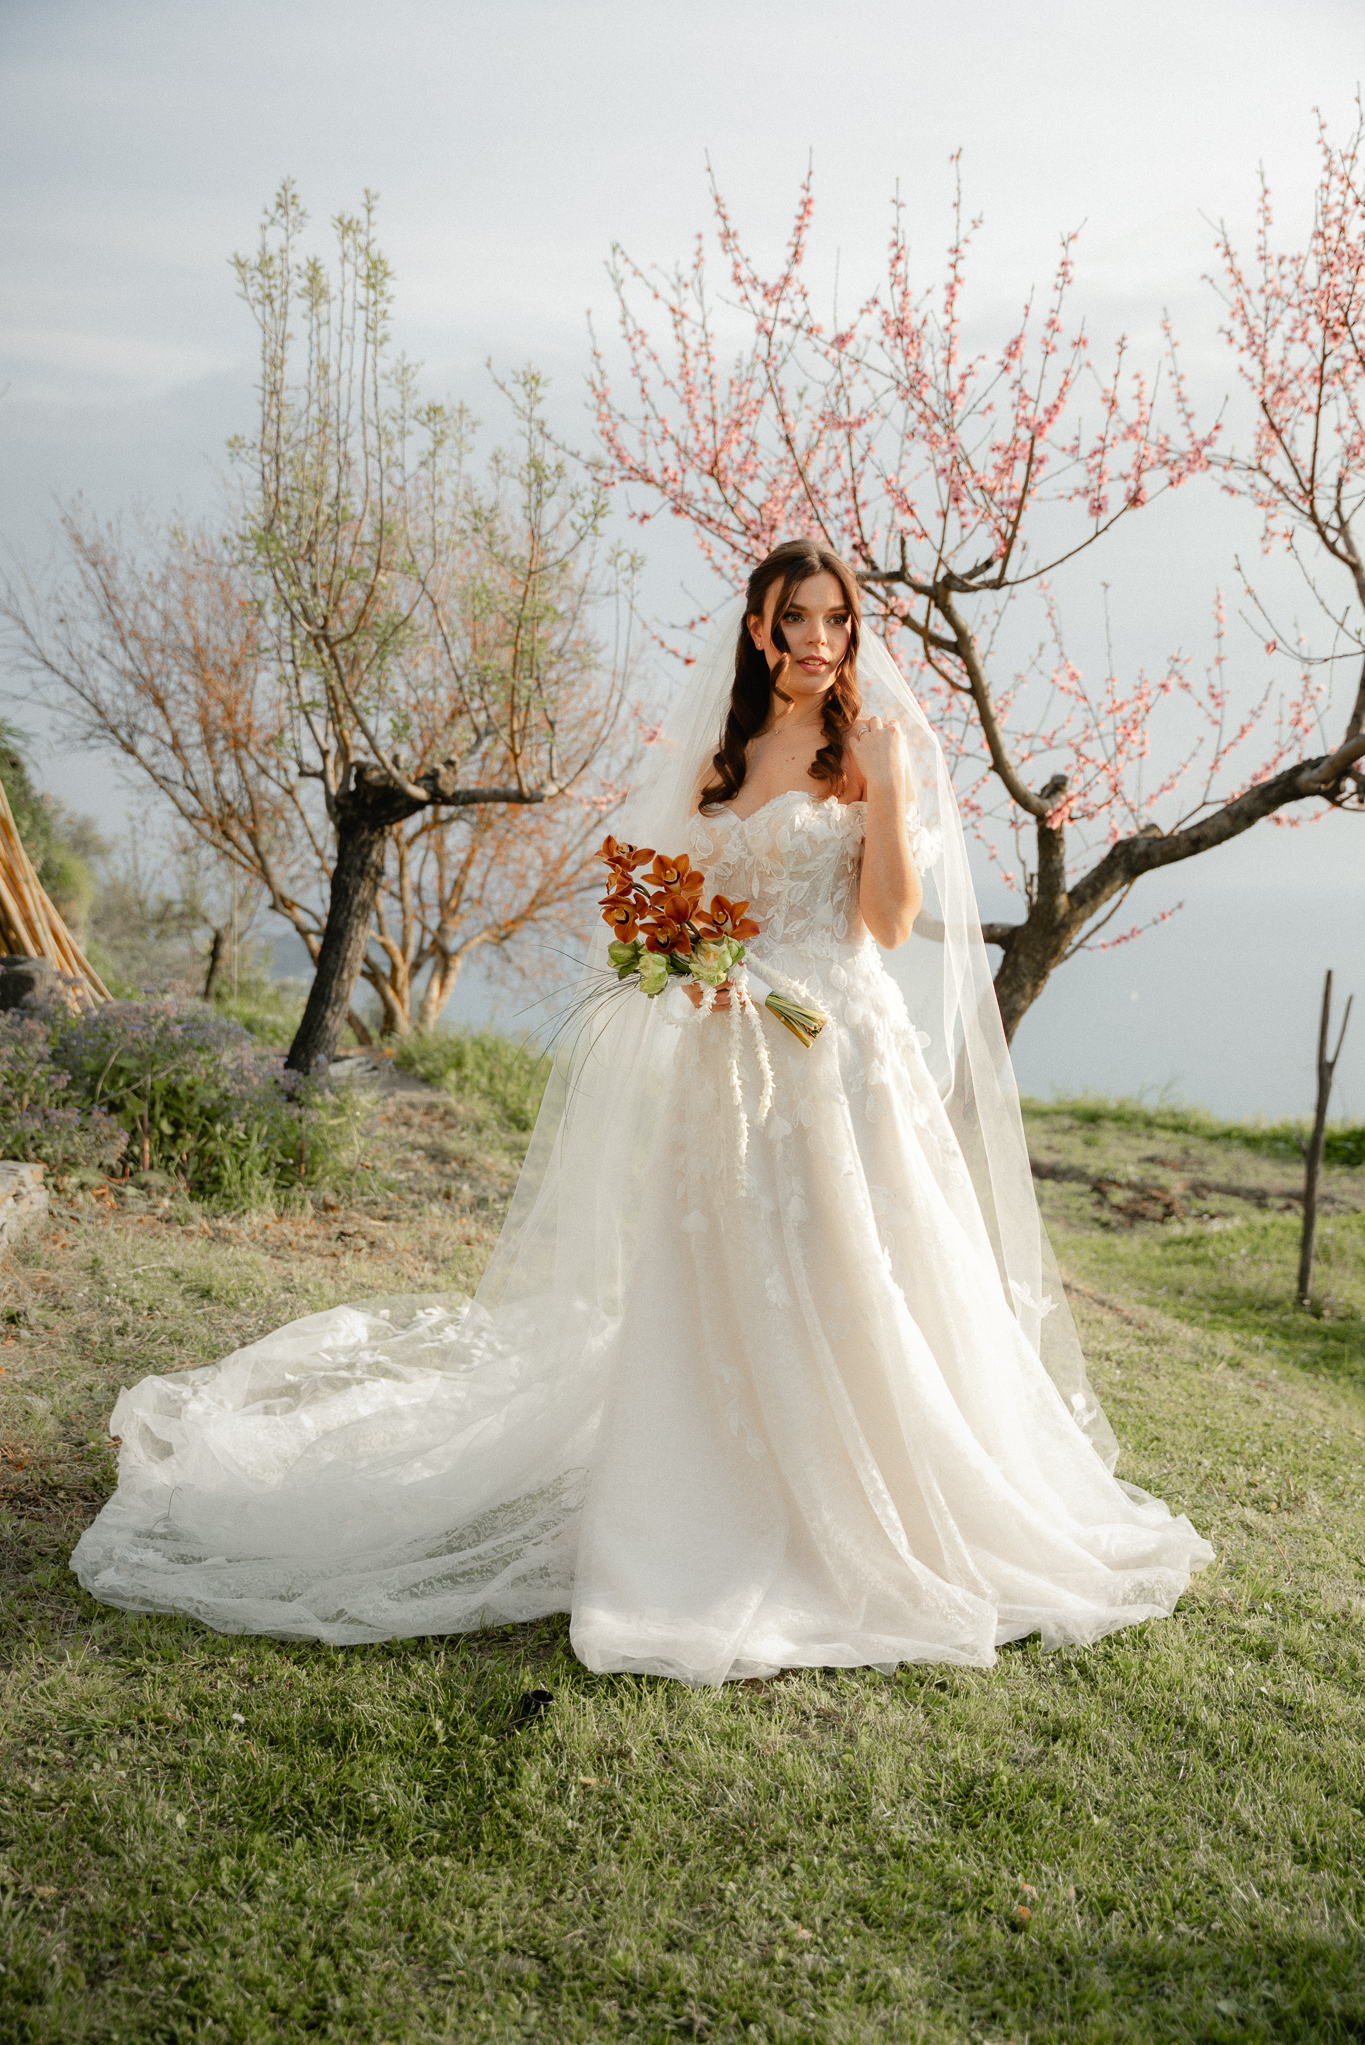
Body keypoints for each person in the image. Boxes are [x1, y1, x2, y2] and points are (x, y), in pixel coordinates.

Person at [72, 539, 1212, 1682]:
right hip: (728, 1055)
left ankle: (871, 1494)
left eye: (837, 620)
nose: (821, 639)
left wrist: (892, 783)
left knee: (862, 1270)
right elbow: (674, 902)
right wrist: (692, 957)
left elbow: (890, 924)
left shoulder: (869, 747)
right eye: (797, 618)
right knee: (725, 1271)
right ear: (759, 630)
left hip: (843, 1055)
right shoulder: (722, 758)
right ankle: (706, 1487)